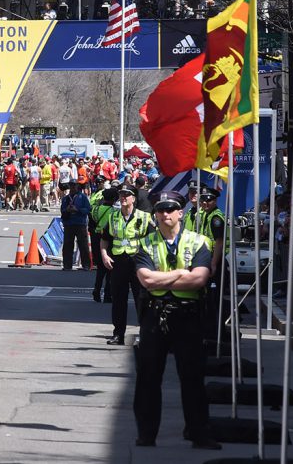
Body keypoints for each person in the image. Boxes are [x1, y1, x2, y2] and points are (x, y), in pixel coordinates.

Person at [133, 191, 220, 450]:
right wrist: (183, 272)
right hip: (155, 314)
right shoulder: (146, 243)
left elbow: (199, 279)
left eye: (171, 209)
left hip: (188, 315)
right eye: (160, 210)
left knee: (192, 377)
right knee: (148, 378)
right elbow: (146, 280)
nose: (165, 214)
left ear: (181, 212)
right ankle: (146, 434)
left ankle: (198, 433)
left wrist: (167, 276)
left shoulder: (199, 242)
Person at [102, 186, 151, 345]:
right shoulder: (113, 217)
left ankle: (145, 334)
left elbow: (154, 241)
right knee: (118, 300)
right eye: (121, 195)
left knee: (141, 299)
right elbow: (104, 239)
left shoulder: (144, 217)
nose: (123, 198)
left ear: (134, 198)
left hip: (138, 263)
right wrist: (104, 255)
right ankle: (118, 334)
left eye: (127, 195)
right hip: (118, 262)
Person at [89, 187, 120, 303]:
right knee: (110, 268)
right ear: (113, 199)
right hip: (109, 239)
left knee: (100, 268)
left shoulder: (96, 210)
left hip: (97, 238)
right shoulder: (115, 212)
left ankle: (96, 291)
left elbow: (91, 220)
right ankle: (108, 294)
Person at [60, 181, 91, 270]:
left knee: (83, 245)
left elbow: (88, 209)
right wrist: (67, 209)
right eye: (71, 186)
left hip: (80, 223)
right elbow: (62, 210)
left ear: (77, 186)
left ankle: (86, 265)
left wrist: (77, 209)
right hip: (69, 224)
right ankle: (67, 265)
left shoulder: (83, 197)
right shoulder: (65, 198)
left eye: (74, 185)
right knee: (67, 245)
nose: (73, 187)